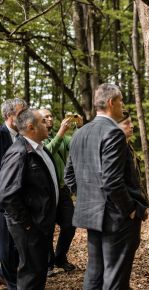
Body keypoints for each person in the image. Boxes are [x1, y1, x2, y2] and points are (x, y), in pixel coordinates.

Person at [64, 83, 149, 290]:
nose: (122, 106)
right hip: (116, 218)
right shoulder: (114, 132)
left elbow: (69, 176)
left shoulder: (79, 133)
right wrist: (129, 210)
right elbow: (112, 180)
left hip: (92, 215)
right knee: (115, 276)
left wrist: (87, 197)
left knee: (95, 272)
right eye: (120, 101)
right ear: (111, 102)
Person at [0, 108, 59, 289]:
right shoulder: (18, 153)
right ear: (31, 127)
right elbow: (7, 195)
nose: (48, 123)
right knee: (31, 275)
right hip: (30, 227)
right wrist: (27, 225)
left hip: (41, 224)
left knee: (39, 271)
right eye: (43, 121)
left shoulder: (40, 148)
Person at [39, 109, 79, 275]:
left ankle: (60, 258)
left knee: (70, 224)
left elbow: (77, 143)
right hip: (46, 193)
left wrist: (80, 126)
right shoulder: (37, 139)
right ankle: (47, 263)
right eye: (45, 117)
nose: (49, 118)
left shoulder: (62, 138)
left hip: (62, 190)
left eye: (50, 116)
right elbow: (46, 152)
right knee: (47, 228)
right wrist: (61, 133)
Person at [0, 98, 27, 290]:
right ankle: (13, 285)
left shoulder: (23, 137)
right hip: (3, 202)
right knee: (7, 247)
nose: (26, 116)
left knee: (16, 246)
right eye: (21, 113)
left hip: (21, 202)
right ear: (10, 116)